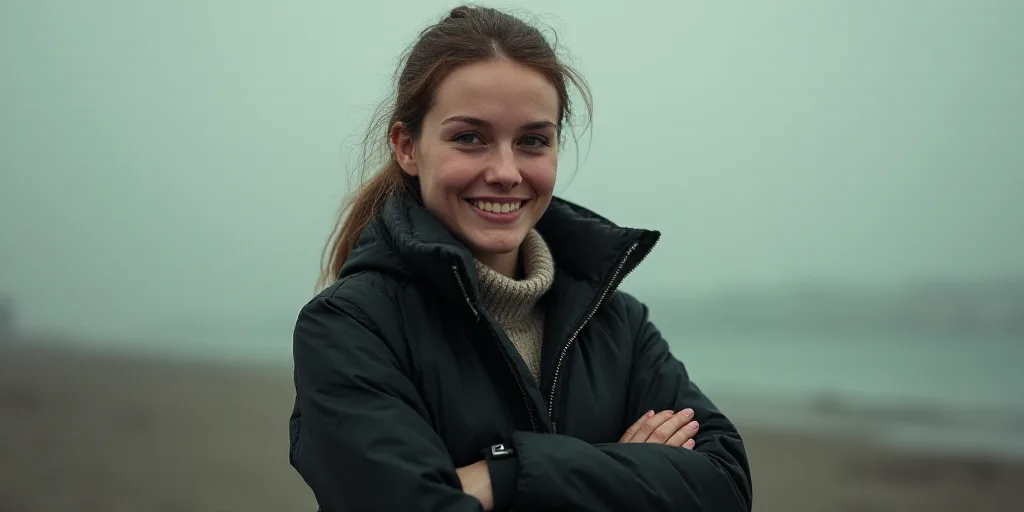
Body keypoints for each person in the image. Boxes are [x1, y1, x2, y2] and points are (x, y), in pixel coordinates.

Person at [288, 5, 752, 511]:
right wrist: (619, 470)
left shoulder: (616, 323)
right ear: (407, 148)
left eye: (533, 141)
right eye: (469, 138)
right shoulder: (350, 327)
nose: (506, 171)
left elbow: (724, 485)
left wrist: (500, 474)